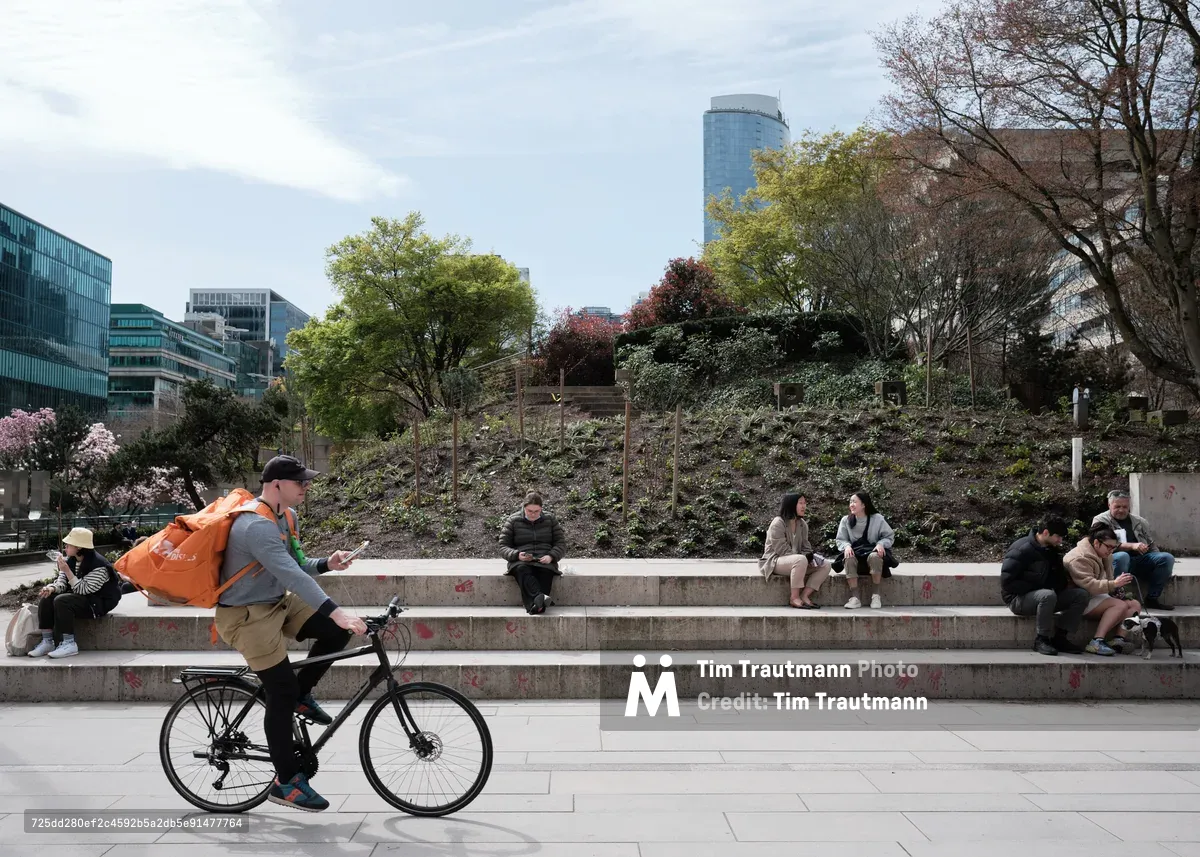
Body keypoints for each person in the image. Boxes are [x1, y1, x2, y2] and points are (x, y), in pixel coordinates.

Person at [212, 455, 367, 812]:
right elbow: (293, 577)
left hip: (275, 602)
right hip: (246, 616)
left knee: (333, 632)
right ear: (276, 484)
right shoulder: (255, 526)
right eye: (301, 482)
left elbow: (298, 565)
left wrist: (328, 563)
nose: (307, 487)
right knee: (279, 691)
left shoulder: (287, 517)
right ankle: (286, 782)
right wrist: (339, 611)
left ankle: (303, 695)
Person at [27, 527, 122, 659]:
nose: (65, 547)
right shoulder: (70, 561)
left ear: (78, 547)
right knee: (47, 598)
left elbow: (83, 589)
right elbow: (62, 582)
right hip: (82, 598)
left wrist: (67, 571)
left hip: (97, 603)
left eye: (68, 545)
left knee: (62, 600)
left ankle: (69, 643)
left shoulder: (99, 565)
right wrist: (51, 588)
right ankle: (47, 641)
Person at [999, 516, 1088, 655]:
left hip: (1046, 596)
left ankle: (1060, 638)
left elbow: (1058, 579)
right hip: (1017, 599)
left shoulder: (1052, 549)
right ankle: (1041, 640)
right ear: (1046, 533)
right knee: (1047, 595)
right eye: (1058, 537)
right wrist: (1037, 587)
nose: (1060, 541)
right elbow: (1007, 582)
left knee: (1081, 595)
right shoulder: (1021, 549)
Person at [1063, 522, 1141, 656]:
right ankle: (1096, 641)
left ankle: (1118, 639)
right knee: (1119, 605)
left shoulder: (1105, 554)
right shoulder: (1079, 558)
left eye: (1114, 547)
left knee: (1134, 604)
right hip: (1079, 598)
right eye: (1109, 547)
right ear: (1096, 543)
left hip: (1096, 595)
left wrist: (1115, 589)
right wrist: (1114, 584)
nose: (1111, 551)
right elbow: (1089, 585)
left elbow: (1108, 579)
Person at [1092, 489, 1175, 610]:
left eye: (1125, 507)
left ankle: (1152, 598)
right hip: (1112, 562)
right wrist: (1131, 546)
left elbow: (1152, 545)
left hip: (1139, 560)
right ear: (1109, 505)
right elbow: (1100, 544)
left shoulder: (1140, 521)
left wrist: (1163, 566)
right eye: (1118, 506)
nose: (1121, 510)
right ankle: (1116, 596)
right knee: (1122, 556)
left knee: (1167, 558)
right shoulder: (1100, 521)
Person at [758, 492, 830, 609]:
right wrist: (803, 558)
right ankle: (794, 597)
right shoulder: (778, 523)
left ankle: (805, 596)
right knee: (800, 559)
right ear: (791, 505)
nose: (804, 506)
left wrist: (811, 557)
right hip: (775, 561)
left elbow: (806, 547)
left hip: (798, 561)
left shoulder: (803, 525)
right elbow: (781, 549)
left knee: (825, 565)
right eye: (800, 503)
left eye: (805, 503)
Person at [499, 492, 566, 615]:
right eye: (530, 511)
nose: (533, 514)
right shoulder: (513, 520)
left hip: (544, 561)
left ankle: (536, 605)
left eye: (537, 511)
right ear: (524, 508)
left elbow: (560, 544)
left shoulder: (550, 520)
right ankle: (540, 600)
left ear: (541, 509)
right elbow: (503, 546)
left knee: (545, 573)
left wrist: (551, 556)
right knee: (522, 570)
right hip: (521, 561)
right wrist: (516, 555)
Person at [833, 491, 898, 609]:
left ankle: (876, 595)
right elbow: (840, 539)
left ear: (863, 505)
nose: (851, 504)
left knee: (875, 556)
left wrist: (881, 544)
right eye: (850, 502)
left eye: (854, 502)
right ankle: (855, 597)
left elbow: (889, 537)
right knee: (848, 557)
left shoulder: (877, 519)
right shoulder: (845, 520)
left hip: (872, 558)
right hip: (856, 559)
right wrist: (847, 546)